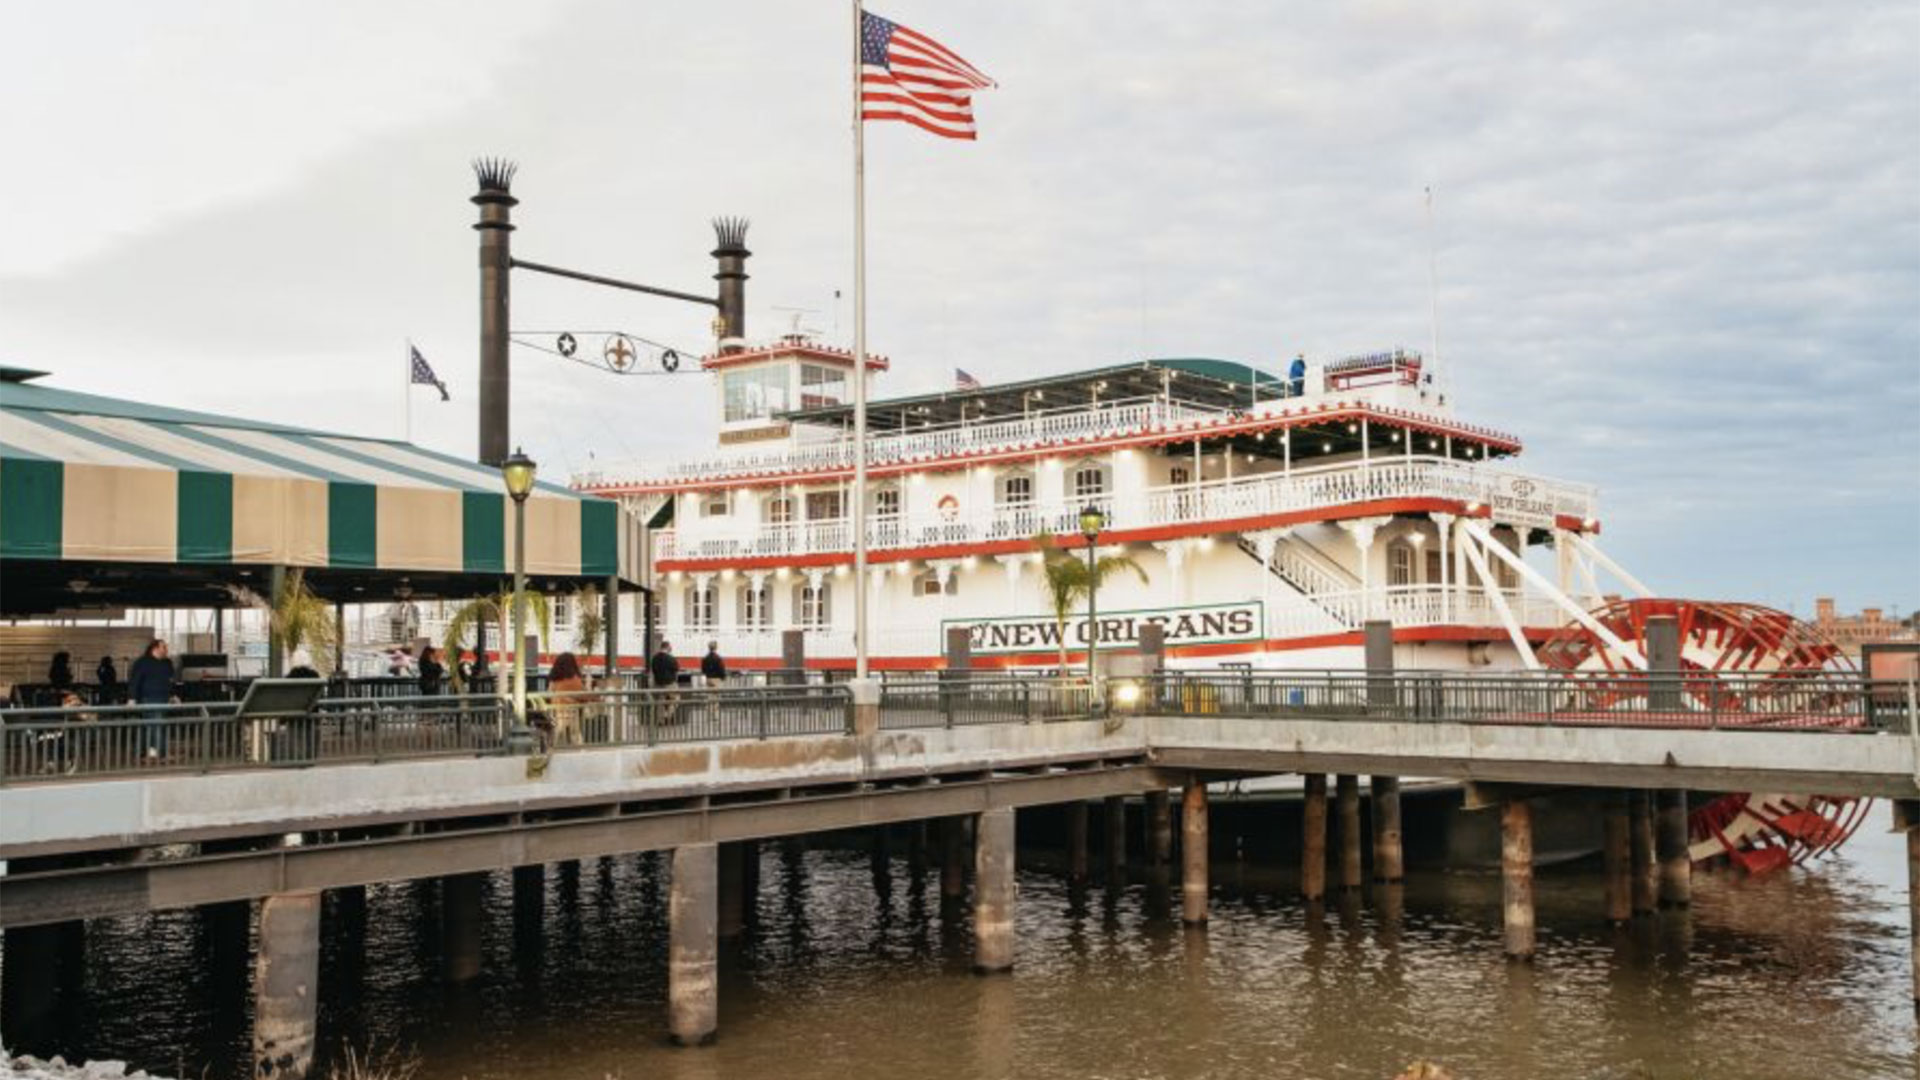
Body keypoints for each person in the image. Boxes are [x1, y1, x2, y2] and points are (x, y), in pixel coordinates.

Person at [127, 639, 175, 759]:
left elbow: (169, 681)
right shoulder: (142, 662)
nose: (166, 650)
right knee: (156, 725)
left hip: (163, 698)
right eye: (164, 647)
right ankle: (162, 753)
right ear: (155, 648)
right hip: (149, 698)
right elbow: (135, 681)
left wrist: (172, 695)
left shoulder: (166, 663)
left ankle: (146, 752)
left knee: (151, 725)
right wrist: (132, 698)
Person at [546, 652, 587, 746]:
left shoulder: (554, 679)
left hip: (558, 709)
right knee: (575, 732)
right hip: (573, 709)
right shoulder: (575, 679)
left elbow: (549, 693)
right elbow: (582, 694)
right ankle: (579, 750)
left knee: (558, 731)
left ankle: (553, 748)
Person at [649, 640, 680, 725]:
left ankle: (660, 721)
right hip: (670, 684)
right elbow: (676, 669)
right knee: (676, 699)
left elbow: (654, 670)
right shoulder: (671, 658)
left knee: (660, 702)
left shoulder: (654, 658)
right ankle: (667, 715)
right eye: (670, 647)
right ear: (667, 647)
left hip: (658, 684)